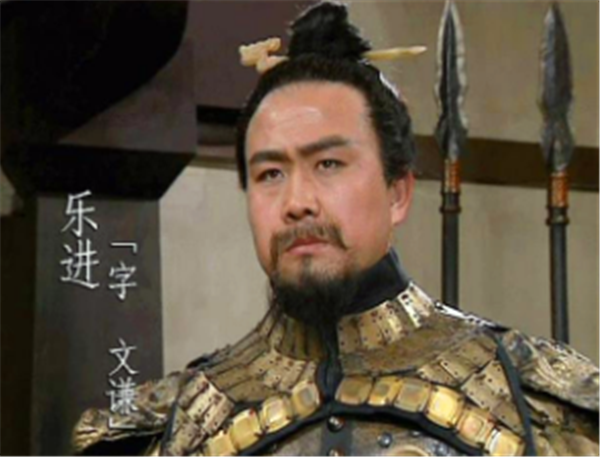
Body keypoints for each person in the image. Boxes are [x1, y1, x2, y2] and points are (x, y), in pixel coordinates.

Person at [73, 3, 598, 455]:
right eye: (270, 173)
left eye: (328, 164)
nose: (297, 203)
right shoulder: (177, 422)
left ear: (398, 193)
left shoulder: (531, 401)